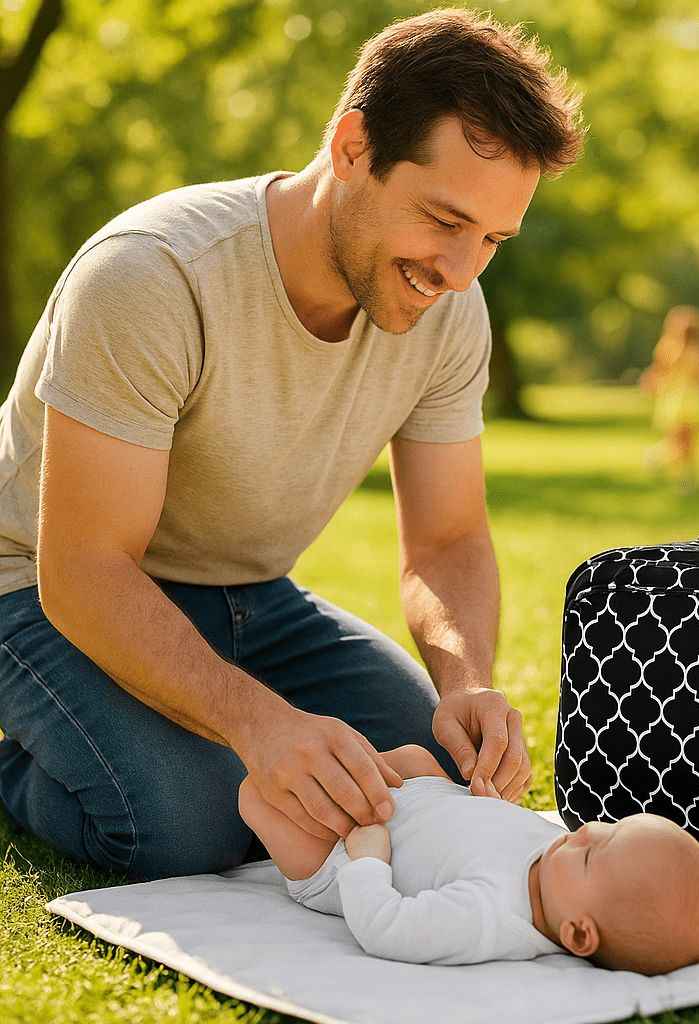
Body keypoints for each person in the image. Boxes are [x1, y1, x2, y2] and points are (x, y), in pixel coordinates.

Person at [0, 9, 584, 879]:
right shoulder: (154, 276)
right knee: (185, 824)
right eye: (444, 218)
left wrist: (467, 681)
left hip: (255, 600)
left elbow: (448, 538)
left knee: (435, 770)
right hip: (39, 590)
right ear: (353, 147)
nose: (461, 272)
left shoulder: (450, 310)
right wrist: (259, 724)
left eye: (492, 240)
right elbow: (83, 571)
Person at [238, 744, 699, 974]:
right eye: (611, 827)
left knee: (255, 796)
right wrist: (489, 805)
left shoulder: (490, 917)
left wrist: (368, 862)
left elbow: (388, 928)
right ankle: (310, 748)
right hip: (419, 796)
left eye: (588, 856)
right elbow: (490, 834)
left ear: (579, 933)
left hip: (343, 852)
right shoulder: (556, 864)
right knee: (411, 753)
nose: (585, 831)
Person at [639, 306, 699, 495]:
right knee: (680, 443)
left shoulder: (692, 350)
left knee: (688, 444)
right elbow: (661, 372)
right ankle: (658, 459)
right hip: (677, 400)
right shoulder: (671, 347)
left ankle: (686, 479)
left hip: (686, 401)